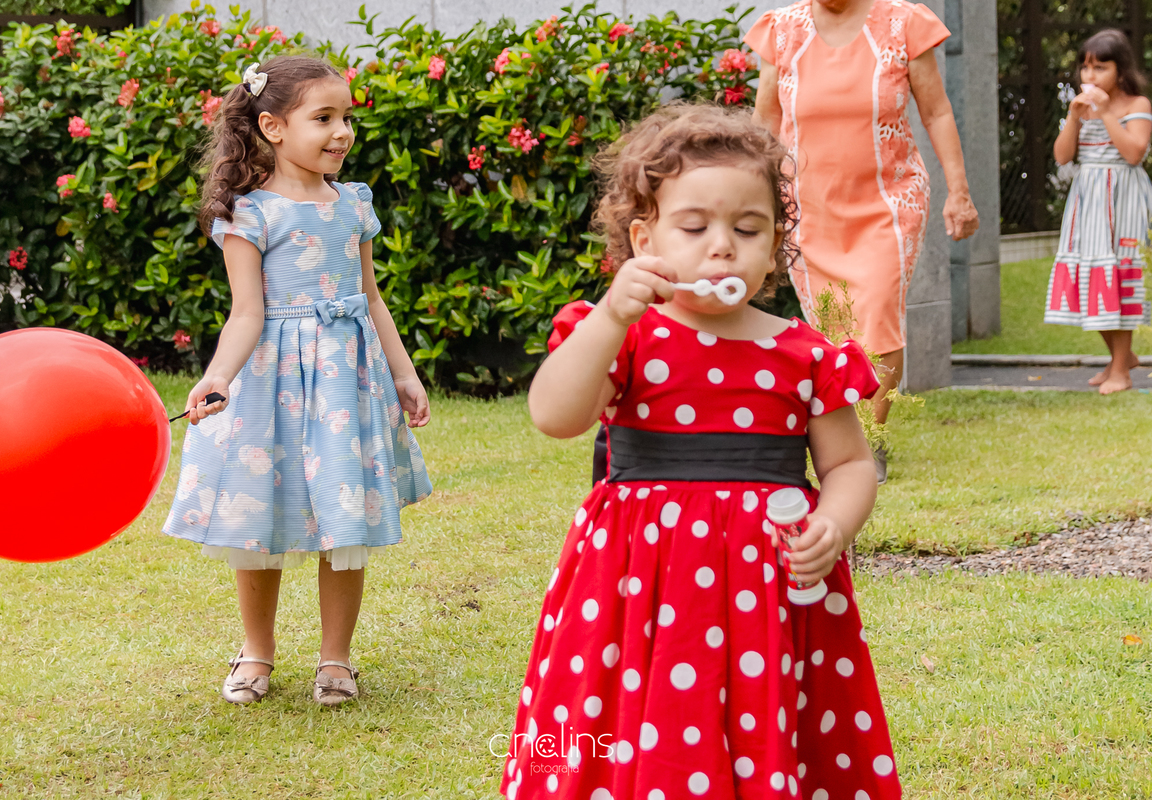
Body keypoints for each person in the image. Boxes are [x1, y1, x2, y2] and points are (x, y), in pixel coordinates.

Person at [498, 104, 900, 800]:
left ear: (776, 245)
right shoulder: (628, 337)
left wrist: (836, 522)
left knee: (760, 714)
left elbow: (849, 465)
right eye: (694, 227)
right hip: (637, 584)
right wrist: (609, 317)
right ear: (644, 238)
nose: (722, 247)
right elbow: (554, 415)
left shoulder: (803, 354)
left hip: (770, 587)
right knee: (635, 714)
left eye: (748, 229)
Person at [162, 56, 432, 706]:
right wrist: (218, 376)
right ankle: (256, 652)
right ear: (273, 127)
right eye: (324, 118)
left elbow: (370, 298)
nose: (341, 132)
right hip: (271, 387)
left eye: (346, 118)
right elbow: (246, 313)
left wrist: (404, 370)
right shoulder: (249, 216)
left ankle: (336, 660)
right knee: (259, 517)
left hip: (346, 385)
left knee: (346, 521)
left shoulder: (354, 205)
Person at [746, 0, 980, 483]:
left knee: (876, 314)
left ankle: (873, 439)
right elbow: (765, 122)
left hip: (888, 203)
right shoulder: (782, 30)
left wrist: (959, 192)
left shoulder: (904, 24)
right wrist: (750, 201)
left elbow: (936, 112)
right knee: (835, 330)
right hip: (808, 207)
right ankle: (842, 439)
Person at [1046, 28, 1152, 394]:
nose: (1089, 77)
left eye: (1100, 68)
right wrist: (1074, 118)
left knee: (1119, 278)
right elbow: (1062, 156)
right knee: (1092, 279)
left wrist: (1106, 112)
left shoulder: (1137, 105)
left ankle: (1121, 370)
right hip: (1087, 201)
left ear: (1120, 71)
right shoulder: (1080, 106)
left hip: (1123, 199)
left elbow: (1134, 153)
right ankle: (1120, 359)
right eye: (1085, 68)